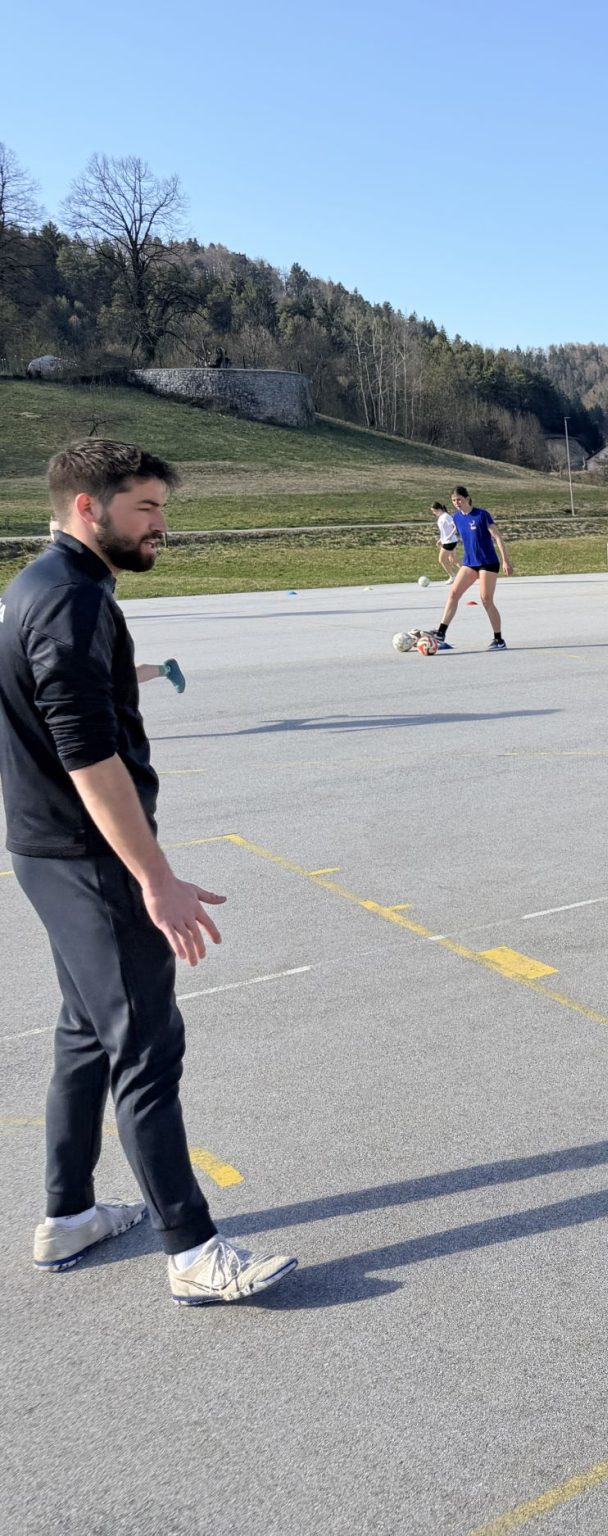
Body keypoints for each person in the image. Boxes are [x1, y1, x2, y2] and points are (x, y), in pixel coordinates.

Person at [2, 440, 297, 1303]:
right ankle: (193, 1251)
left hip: (46, 850)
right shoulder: (71, 600)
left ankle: (68, 1215)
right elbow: (88, 756)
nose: (161, 525)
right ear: (87, 507)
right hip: (89, 857)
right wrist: (153, 878)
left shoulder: (40, 585)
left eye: (163, 508)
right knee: (146, 1045)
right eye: (145, 509)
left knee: (86, 1033)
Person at [432, 485, 513, 651]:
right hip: (470, 562)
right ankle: (441, 633)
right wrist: (448, 546)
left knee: (486, 599)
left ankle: (499, 639)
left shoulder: (482, 515)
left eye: (459, 499)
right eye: (454, 500)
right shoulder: (456, 517)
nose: (457, 503)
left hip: (488, 562)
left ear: (467, 498)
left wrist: (505, 560)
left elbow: (497, 537)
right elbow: (457, 533)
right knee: (453, 593)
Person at [432, 501, 459, 581]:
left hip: (449, 542)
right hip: (448, 541)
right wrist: (441, 539)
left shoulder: (446, 516)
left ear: (439, 509)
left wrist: (450, 536)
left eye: (434, 511)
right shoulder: (441, 517)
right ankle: (469, 573)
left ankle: (452, 576)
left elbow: (456, 526)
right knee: (454, 560)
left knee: (442, 560)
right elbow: (444, 531)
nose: (433, 513)